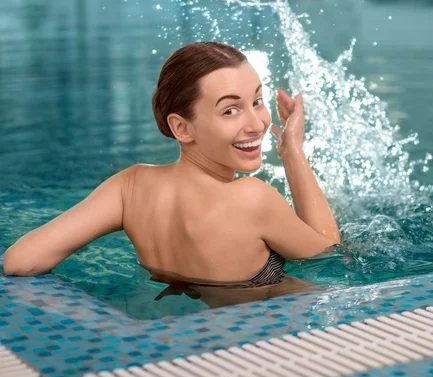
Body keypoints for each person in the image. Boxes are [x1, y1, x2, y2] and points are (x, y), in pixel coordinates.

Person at [3, 42, 340, 307]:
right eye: (230, 110)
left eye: (257, 100)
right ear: (181, 127)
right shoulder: (252, 197)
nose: (256, 124)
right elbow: (330, 253)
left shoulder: (130, 186)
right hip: (273, 331)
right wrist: (293, 152)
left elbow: (20, 260)